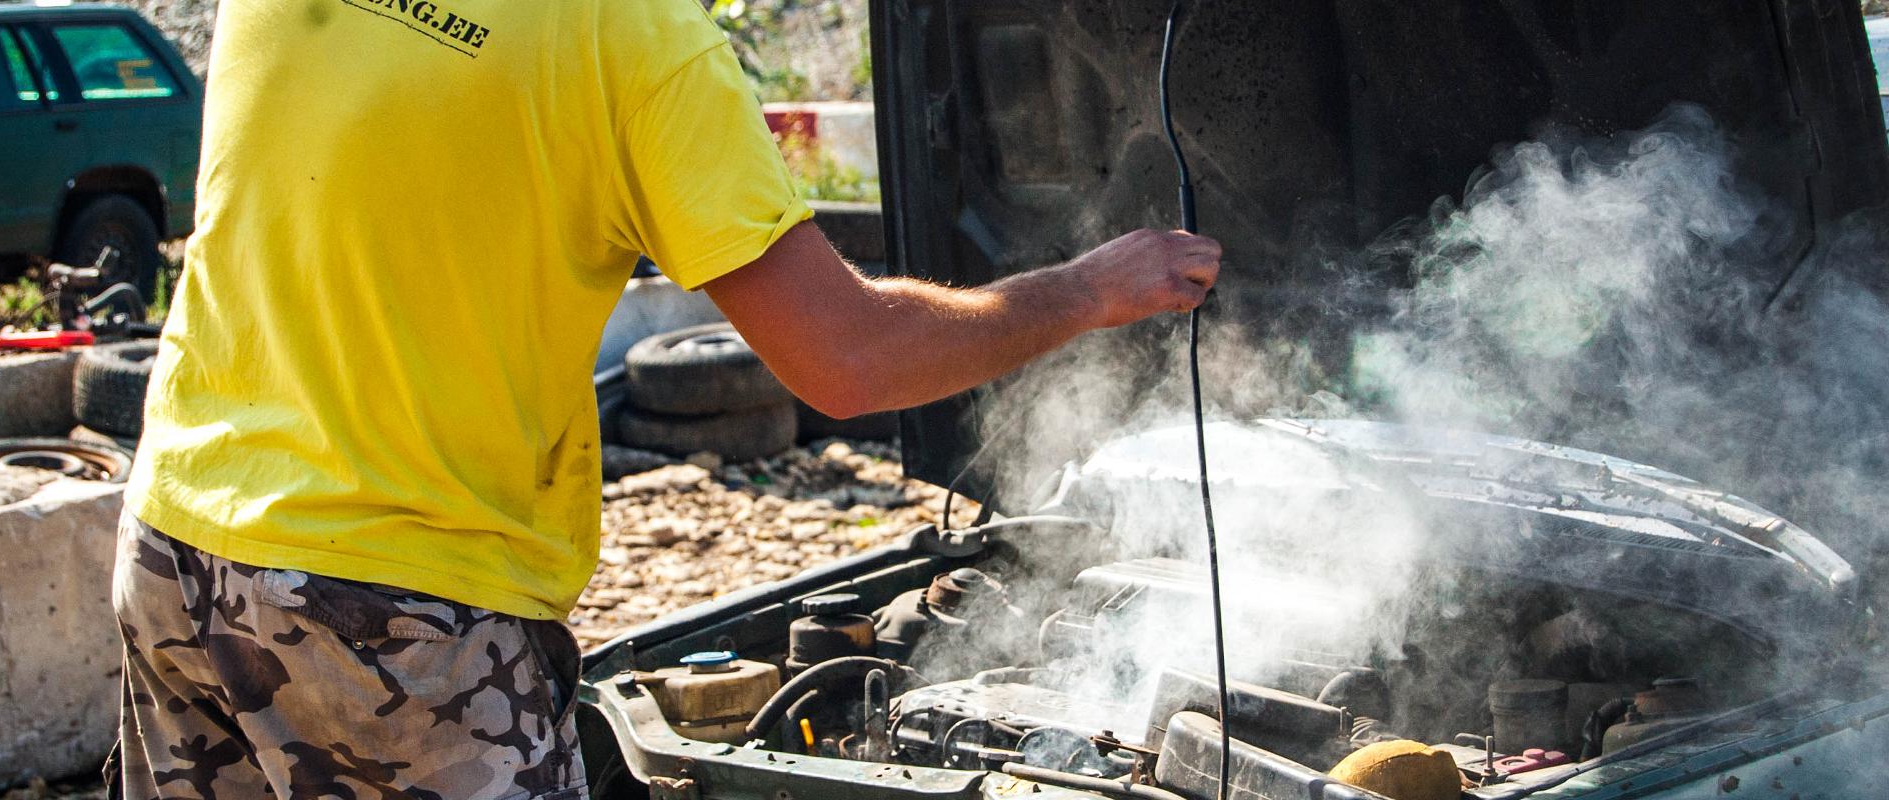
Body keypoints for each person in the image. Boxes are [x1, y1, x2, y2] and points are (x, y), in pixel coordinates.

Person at [109, 0, 1221, 797]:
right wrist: (1083, 290)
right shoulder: (629, 35)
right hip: (395, 609)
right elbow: (847, 359)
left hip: (175, 546)